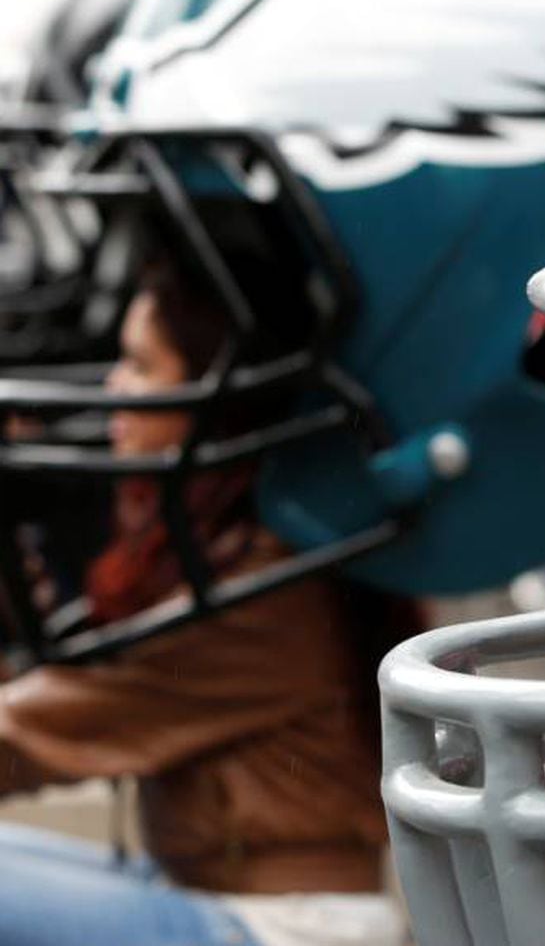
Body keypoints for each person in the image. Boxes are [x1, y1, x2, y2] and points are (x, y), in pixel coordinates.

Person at [0, 256, 415, 946]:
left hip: (291, 927)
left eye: (139, 365)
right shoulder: (245, 542)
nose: (115, 388)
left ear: (212, 396)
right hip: (201, 892)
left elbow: (33, 733)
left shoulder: (263, 583)